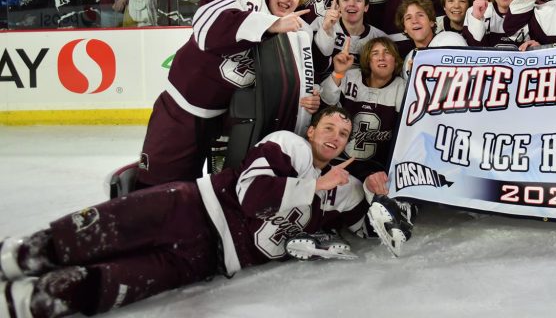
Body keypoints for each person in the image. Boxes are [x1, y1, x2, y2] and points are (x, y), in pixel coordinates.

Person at [0, 107, 389, 318]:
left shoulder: (343, 189)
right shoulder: (290, 146)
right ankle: (16, 255)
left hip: (208, 259)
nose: (335, 137)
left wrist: (377, 195)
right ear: (311, 131)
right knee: (101, 230)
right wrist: (313, 186)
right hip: (192, 206)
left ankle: (37, 300)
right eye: (329, 127)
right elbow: (250, 195)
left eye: (342, 134)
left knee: (114, 283)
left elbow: (371, 230)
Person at [133, 0, 332, 189]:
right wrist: (270, 25)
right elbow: (206, 30)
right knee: (159, 183)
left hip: (230, 120)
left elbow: (297, 82)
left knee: (214, 188)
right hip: (181, 108)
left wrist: (308, 99)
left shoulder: (297, 33)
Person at [319, 37, 406, 200]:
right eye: (375, 53)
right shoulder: (351, 76)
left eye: (387, 53)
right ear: (368, 61)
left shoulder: (401, 87)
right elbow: (326, 101)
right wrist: (338, 73)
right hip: (337, 160)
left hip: (374, 167)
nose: (381, 57)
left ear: (395, 60)